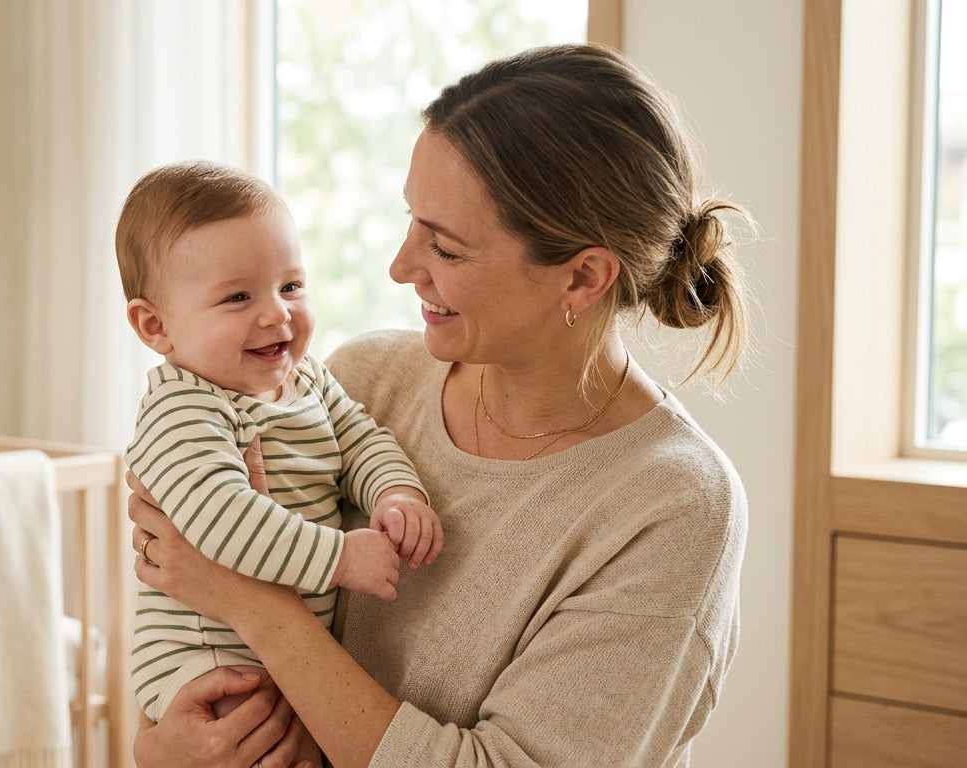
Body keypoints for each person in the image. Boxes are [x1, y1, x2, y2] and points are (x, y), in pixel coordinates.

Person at [128, 42, 751, 768]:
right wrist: (163, 751)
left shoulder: (671, 505)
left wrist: (259, 608)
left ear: (582, 278)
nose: (400, 266)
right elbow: (186, 640)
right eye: (410, 221)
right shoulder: (364, 380)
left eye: (445, 247)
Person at [114, 160, 446, 764]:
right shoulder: (183, 408)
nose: (277, 314)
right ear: (155, 325)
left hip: (271, 646)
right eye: (238, 297)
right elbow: (220, 521)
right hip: (208, 657)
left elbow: (361, 440)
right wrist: (340, 557)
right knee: (251, 742)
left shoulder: (307, 380)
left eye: (290, 286)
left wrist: (397, 494)